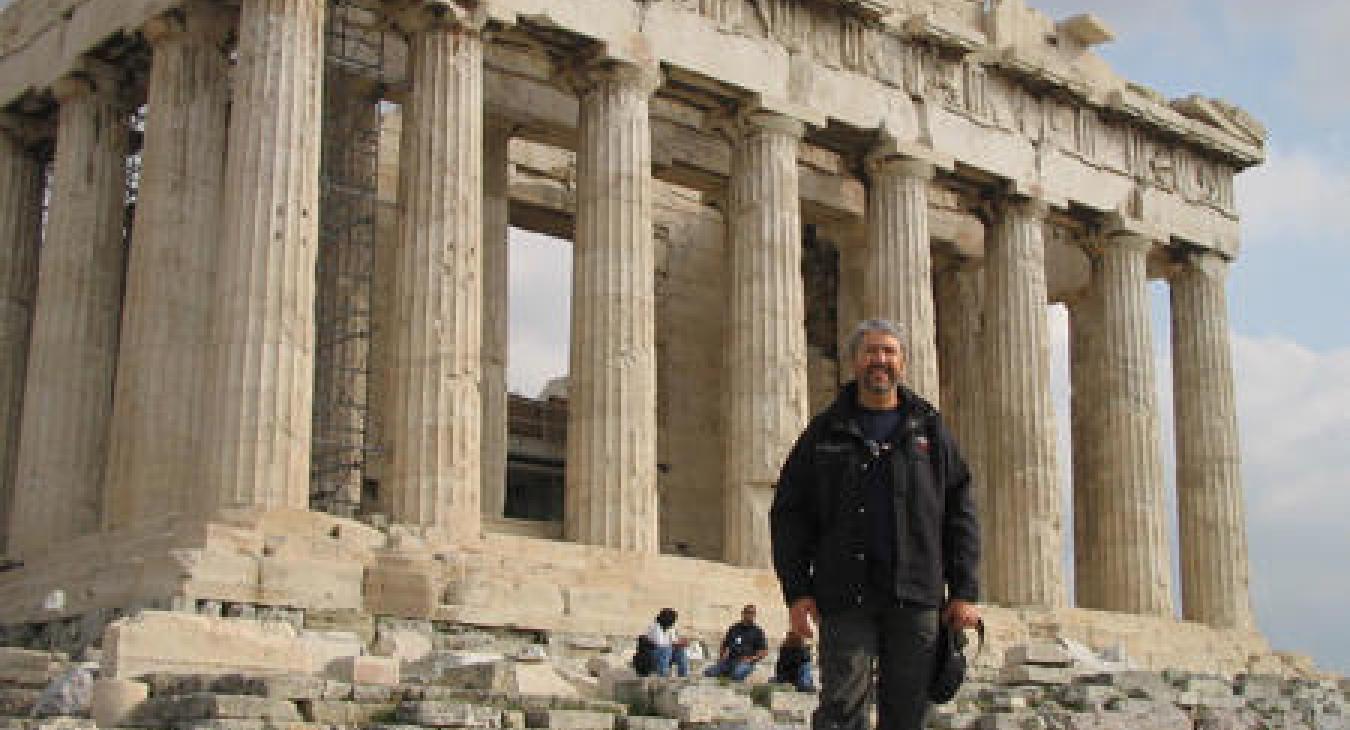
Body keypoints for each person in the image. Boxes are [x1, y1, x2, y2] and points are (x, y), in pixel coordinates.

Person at [770, 318, 982, 730]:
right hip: (846, 594)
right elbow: (791, 514)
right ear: (854, 362)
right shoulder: (826, 430)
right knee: (840, 709)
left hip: (916, 593)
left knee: (909, 712)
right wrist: (796, 591)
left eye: (889, 352)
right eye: (871, 352)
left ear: (903, 362)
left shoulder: (931, 430)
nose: (879, 360)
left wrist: (965, 591)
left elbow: (960, 512)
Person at [703, 604, 768, 681]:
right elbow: (724, 645)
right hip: (730, 660)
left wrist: (751, 659)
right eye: (748, 612)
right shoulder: (734, 629)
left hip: (745, 662)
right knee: (708, 672)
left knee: (736, 675)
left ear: (754, 615)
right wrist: (721, 658)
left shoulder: (758, 632)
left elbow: (764, 652)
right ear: (743, 613)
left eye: (752, 613)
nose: (750, 615)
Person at [642, 607, 689, 678]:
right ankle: (663, 676)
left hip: (666, 653)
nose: (673, 623)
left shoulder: (670, 628)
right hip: (652, 654)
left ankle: (683, 676)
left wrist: (681, 643)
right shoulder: (655, 627)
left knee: (681, 652)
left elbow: (674, 641)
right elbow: (660, 644)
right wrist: (676, 643)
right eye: (672, 620)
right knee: (666, 650)